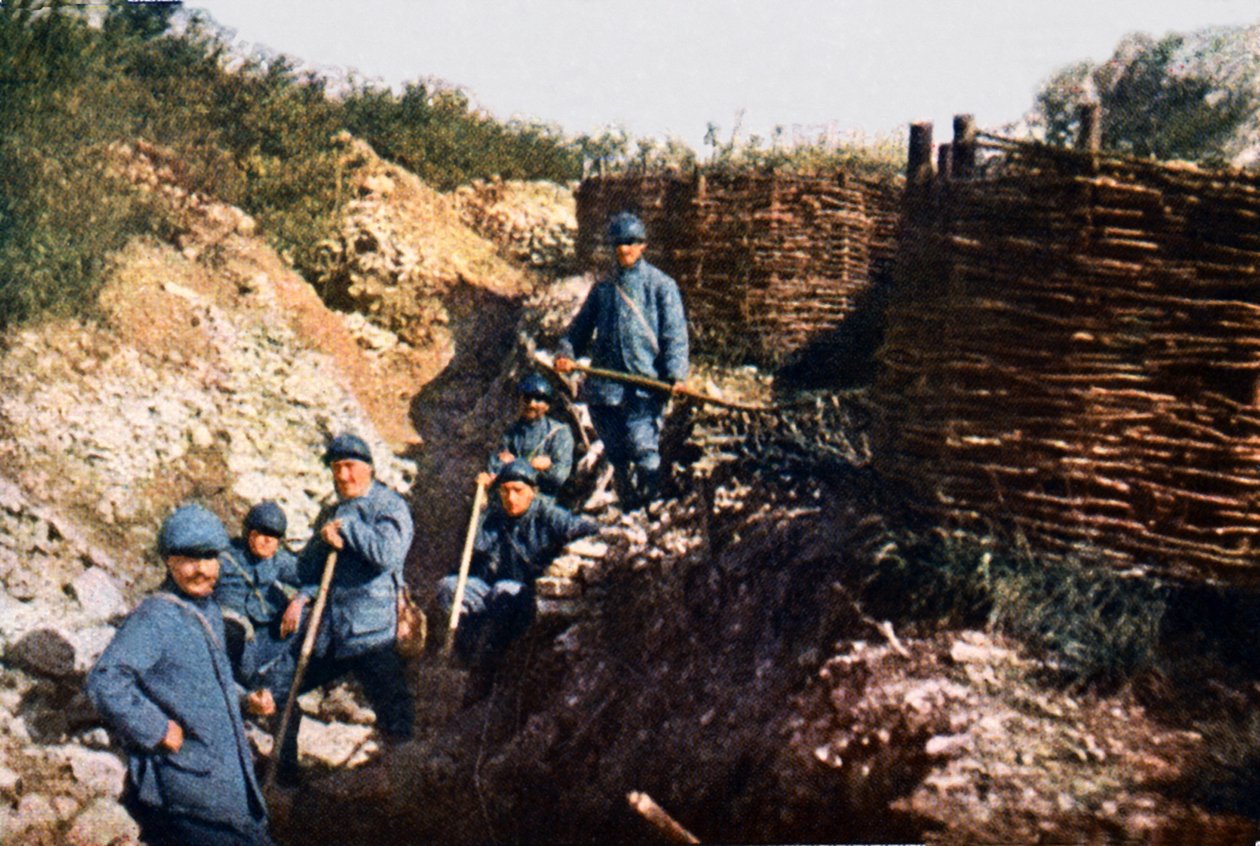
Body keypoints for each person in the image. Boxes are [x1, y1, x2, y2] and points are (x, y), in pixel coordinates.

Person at [86, 504, 276, 846]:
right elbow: (106, 679)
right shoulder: (155, 617)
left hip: (224, 779)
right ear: (169, 561)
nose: (202, 569)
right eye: (189, 559)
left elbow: (207, 681)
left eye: (209, 558)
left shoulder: (208, 611)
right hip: (190, 789)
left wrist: (246, 700)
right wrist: (155, 728)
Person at [275, 433, 415, 781]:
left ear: (369, 468)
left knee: (395, 716)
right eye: (337, 468)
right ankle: (285, 778)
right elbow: (307, 569)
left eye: (350, 467)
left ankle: (401, 791)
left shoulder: (389, 506)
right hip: (331, 632)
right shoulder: (331, 511)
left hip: (373, 632)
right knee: (282, 689)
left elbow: (387, 554)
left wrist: (350, 529)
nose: (343, 476)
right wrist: (262, 555)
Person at [555, 211, 689, 507]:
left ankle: (652, 505)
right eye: (618, 242)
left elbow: (675, 334)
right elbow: (577, 331)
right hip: (605, 390)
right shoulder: (603, 289)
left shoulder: (661, 286)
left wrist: (676, 374)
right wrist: (565, 353)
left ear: (642, 246)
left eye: (630, 242)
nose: (623, 249)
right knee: (616, 451)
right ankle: (628, 505)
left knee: (644, 448)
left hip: (644, 386)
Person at [438, 460, 598, 670]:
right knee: (449, 587)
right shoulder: (495, 517)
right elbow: (474, 546)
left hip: (524, 595)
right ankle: (466, 649)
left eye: (518, 490)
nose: (511, 498)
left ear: (532, 491)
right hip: (492, 593)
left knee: (504, 590)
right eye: (505, 491)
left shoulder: (547, 515)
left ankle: (493, 661)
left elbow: (587, 529)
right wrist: (482, 506)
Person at [214, 500, 302, 706]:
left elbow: (310, 577)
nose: (266, 541)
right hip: (234, 642)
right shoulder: (223, 558)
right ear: (249, 533)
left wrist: (299, 600)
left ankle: (274, 689)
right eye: (261, 533)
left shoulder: (277, 559)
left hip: (268, 638)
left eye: (273, 537)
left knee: (309, 618)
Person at [478, 373, 575, 497]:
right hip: (512, 499)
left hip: (542, 501)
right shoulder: (511, 433)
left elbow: (558, 476)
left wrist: (513, 465)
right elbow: (495, 469)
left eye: (538, 399)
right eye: (527, 398)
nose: (531, 404)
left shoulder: (560, 433)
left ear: (547, 405)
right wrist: (534, 466)